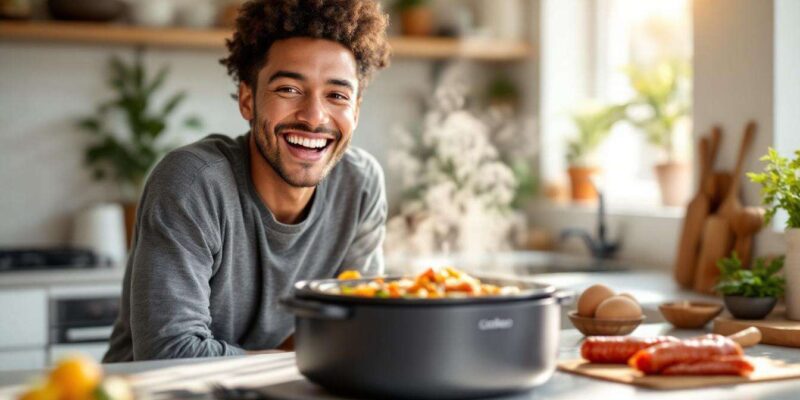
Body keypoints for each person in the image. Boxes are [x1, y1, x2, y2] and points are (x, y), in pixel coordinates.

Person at [103, 0, 391, 361]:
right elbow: (169, 352)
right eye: (289, 89)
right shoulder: (193, 183)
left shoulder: (360, 186)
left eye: (337, 95)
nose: (314, 117)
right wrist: (295, 360)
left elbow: (358, 327)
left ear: (356, 110)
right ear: (248, 99)